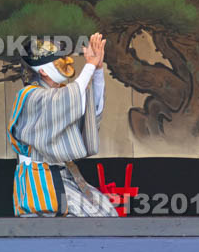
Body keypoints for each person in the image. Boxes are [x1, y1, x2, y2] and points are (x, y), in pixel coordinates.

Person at [8, 33, 118, 217]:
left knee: (106, 212)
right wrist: (89, 65)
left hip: (64, 175)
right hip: (40, 181)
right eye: (58, 60)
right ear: (42, 71)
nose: (67, 62)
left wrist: (98, 70)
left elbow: (86, 110)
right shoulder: (30, 96)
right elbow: (68, 98)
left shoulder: (58, 95)